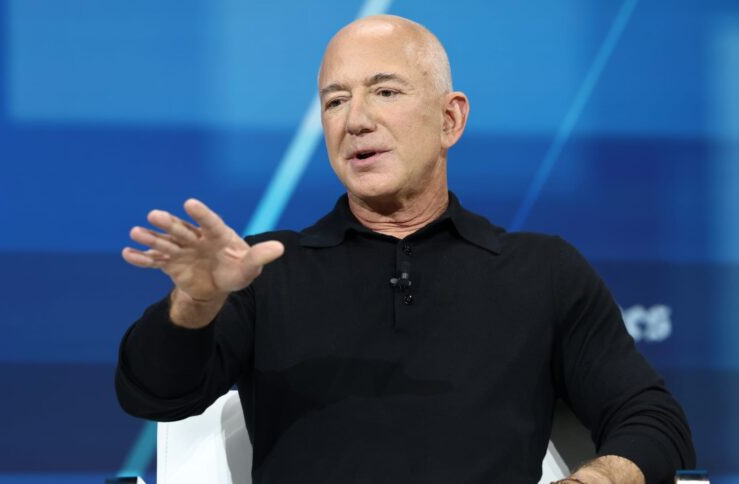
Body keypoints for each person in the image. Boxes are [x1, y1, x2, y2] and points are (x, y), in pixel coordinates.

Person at [116, 15, 695, 483]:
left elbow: (653, 420)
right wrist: (195, 303)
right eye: (334, 102)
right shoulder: (264, 268)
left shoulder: (542, 271)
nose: (355, 121)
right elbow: (154, 396)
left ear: (450, 119)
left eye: (385, 92)